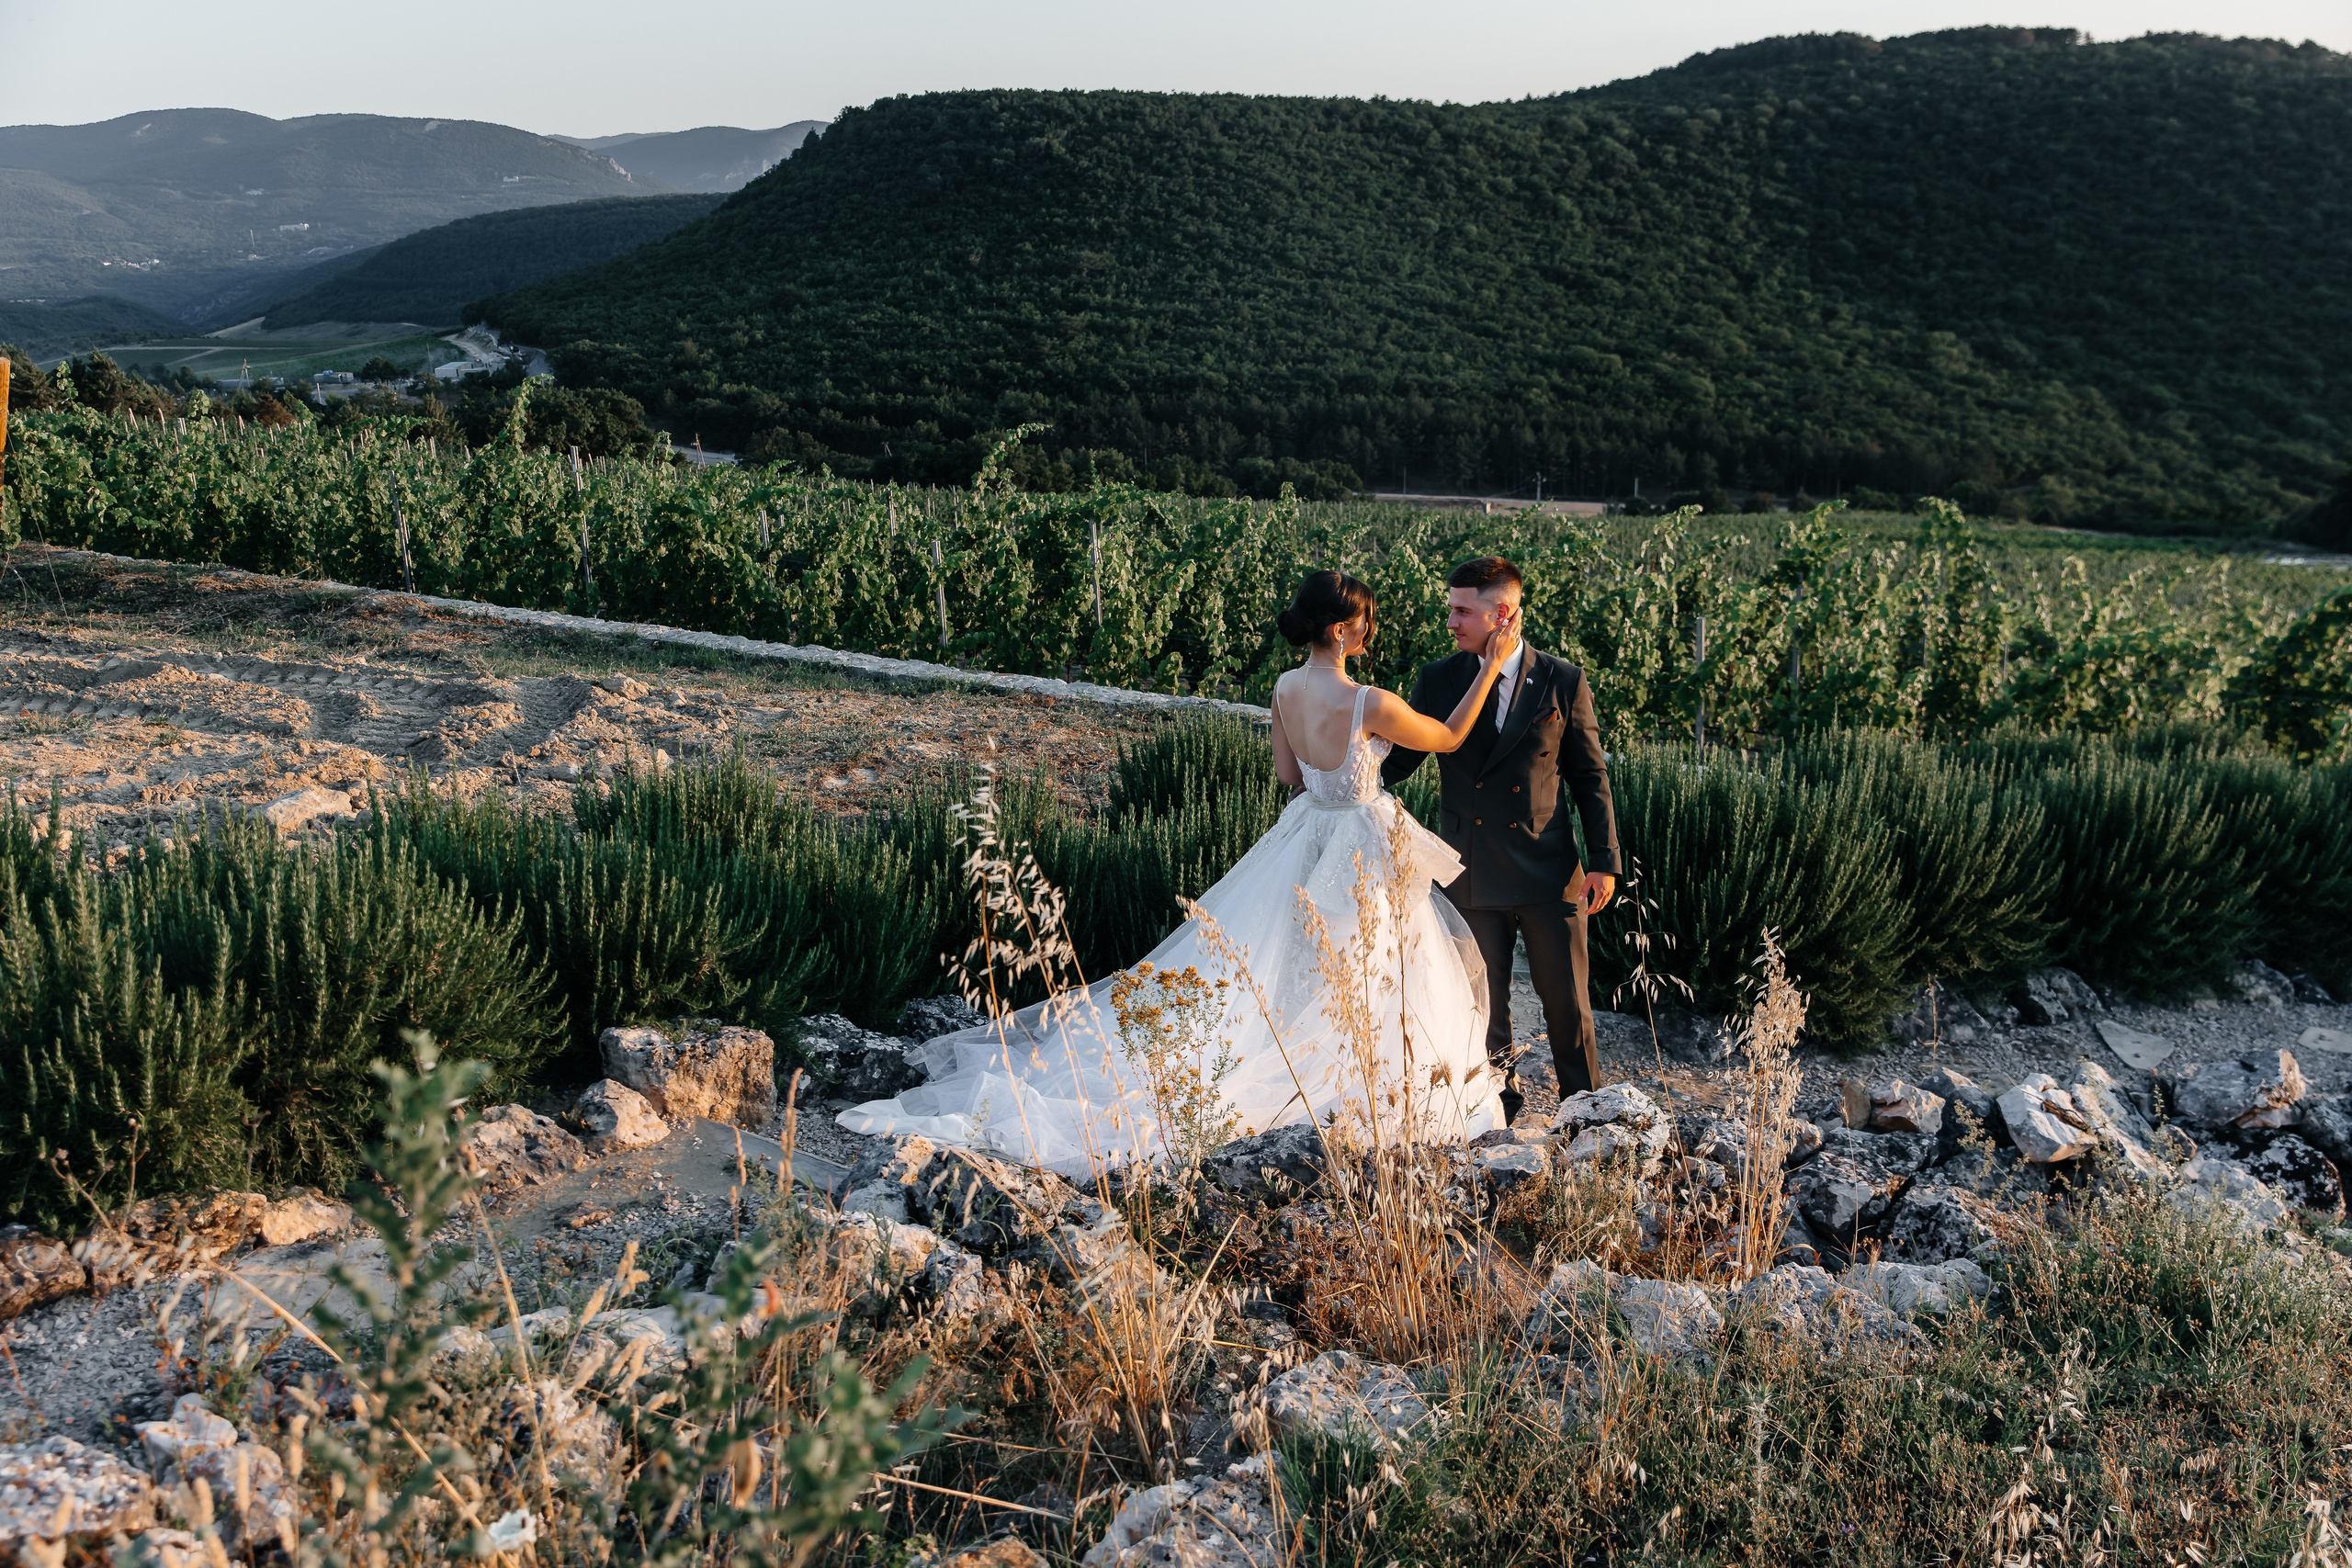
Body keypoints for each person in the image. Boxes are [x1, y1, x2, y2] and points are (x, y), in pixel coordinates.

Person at [840, 570, 1520, 1174]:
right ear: (1343, 631)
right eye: (1366, 623)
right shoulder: (1371, 701)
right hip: (1358, 843)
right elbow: (1450, 738)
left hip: (1305, 833)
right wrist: (1489, 666)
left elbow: (1290, 775)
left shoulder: (1285, 689)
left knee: (1289, 970)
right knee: (1370, 970)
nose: (1371, 633)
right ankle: (1355, 1090)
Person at [1381, 555, 1621, 1122]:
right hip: (1470, 870)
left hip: (1548, 871)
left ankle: (1584, 1116)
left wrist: (1604, 860)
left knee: (1568, 1005)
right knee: (1482, 1008)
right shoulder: (1440, 679)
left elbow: (1590, 776)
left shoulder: (1563, 679)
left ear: (1503, 614)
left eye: (1463, 611)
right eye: (1450, 609)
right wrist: (1340, 785)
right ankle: (1496, 1114)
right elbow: (1403, 760)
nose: (1452, 622)